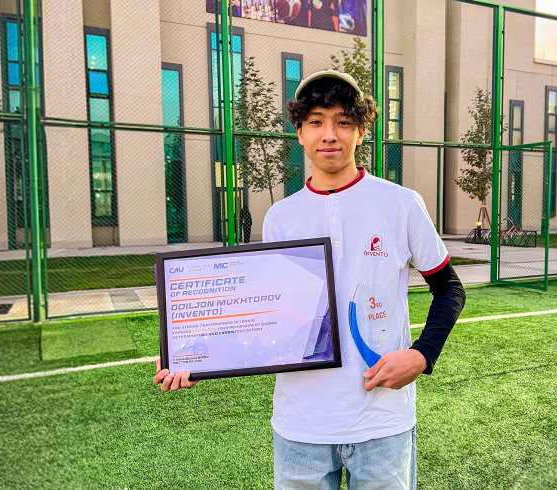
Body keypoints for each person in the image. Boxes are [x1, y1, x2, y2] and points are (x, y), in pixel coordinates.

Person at [154, 70, 465, 489]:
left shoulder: (401, 204)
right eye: (316, 121)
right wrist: (194, 354)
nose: (329, 134)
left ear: (360, 132)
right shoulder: (280, 217)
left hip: (382, 422)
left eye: (343, 121)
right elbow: (266, 316)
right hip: (301, 425)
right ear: (299, 132)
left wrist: (421, 355)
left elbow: (449, 288)